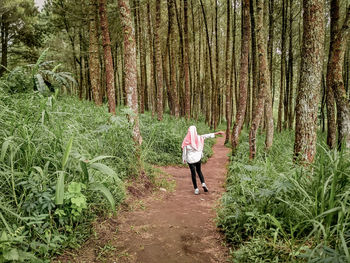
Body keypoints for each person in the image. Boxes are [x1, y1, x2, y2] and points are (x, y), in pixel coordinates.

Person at [182, 126, 224, 195]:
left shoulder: (186, 140)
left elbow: (184, 151)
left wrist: (184, 159)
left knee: (193, 174)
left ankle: (196, 189)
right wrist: (217, 133)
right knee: (199, 171)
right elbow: (207, 135)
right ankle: (203, 183)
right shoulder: (199, 137)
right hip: (198, 158)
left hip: (190, 160)